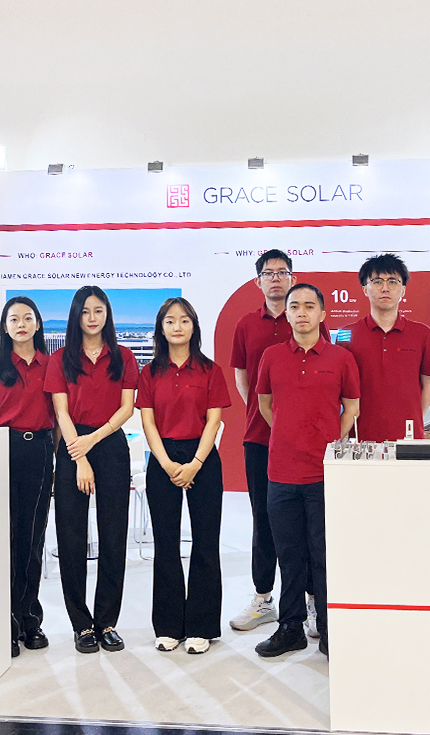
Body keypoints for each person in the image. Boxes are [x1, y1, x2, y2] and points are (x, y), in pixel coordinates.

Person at [254, 283, 359, 659]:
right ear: (287, 314)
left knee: (323, 555)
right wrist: (289, 435)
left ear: (322, 314)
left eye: (310, 306)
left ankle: (329, 629)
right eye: (295, 306)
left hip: (323, 473)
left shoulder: (341, 358)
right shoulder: (271, 356)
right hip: (281, 472)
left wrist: (327, 441)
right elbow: (265, 405)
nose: (302, 312)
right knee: (289, 555)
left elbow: (351, 408)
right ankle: (291, 628)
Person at [229, 249, 329, 640]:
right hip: (260, 438)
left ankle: (311, 599)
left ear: (292, 278)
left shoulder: (308, 319)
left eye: (282, 272)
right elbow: (243, 379)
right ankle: (263, 597)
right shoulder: (245, 325)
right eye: (268, 273)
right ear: (258, 281)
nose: (275, 278)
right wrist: (269, 417)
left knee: (310, 526)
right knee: (264, 519)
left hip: (309, 445)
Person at [45, 286, 139, 653]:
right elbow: (61, 411)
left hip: (111, 443)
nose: (92, 317)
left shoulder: (124, 356)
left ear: (107, 314)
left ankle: (107, 622)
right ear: (76, 316)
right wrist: (79, 457)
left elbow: (126, 408)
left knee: (114, 535)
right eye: (85, 311)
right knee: (71, 537)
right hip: (73, 445)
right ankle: (81, 624)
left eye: (99, 310)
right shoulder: (61, 359)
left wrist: (94, 440)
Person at [136, 297, 232, 655]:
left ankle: (201, 627)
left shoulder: (210, 371)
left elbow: (214, 421)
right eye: (170, 321)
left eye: (185, 320)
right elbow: (147, 422)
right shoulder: (149, 373)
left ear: (194, 326)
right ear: (161, 329)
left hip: (202, 458)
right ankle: (168, 626)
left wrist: (194, 464)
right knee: (166, 544)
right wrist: (165, 463)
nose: (178, 327)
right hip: (162, 459)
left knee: (205, 543)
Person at [0, 296, 55, 658]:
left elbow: (60, 418)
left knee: (32, 540)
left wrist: (54, 455)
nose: (21, 324)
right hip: (1, 453)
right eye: (13, 319)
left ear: (38, 324)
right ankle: (4, 623)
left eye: (27, 318)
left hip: (40, 453)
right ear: (4, 327)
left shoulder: (52, 366)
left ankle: (30, 619)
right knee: (2, 540)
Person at [342, 253, 430, 442]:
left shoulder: (423, 334)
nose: (385, 288)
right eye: (377, 282)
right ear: (365, 289)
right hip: (361, 439)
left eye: (393, 282)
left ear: (403, 290)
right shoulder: (347, 334)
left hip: (409, 439)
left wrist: (412, 418)